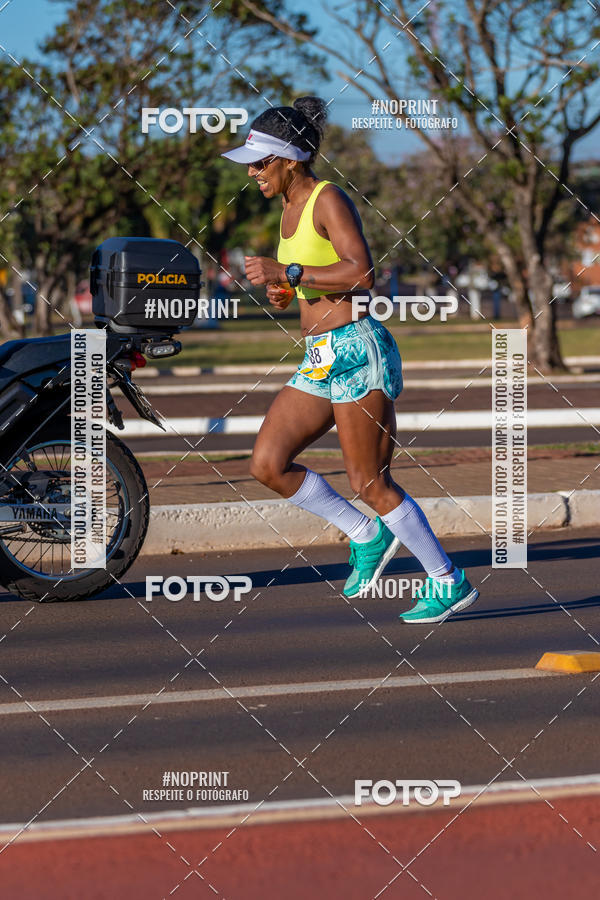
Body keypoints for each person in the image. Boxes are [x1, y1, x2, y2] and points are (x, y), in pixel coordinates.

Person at [221, 96, 479, 623]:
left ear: (290, 160)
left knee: (369, 482)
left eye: (260, 162)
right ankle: (365, 533)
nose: (252, 173)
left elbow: (362, 276)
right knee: (267, 464)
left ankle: (448, 580)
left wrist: (288, 273)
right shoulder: (288, 211)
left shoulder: (327, 198)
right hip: (319, 357)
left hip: (357, 350)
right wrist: (284, 290)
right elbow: (312, 279)